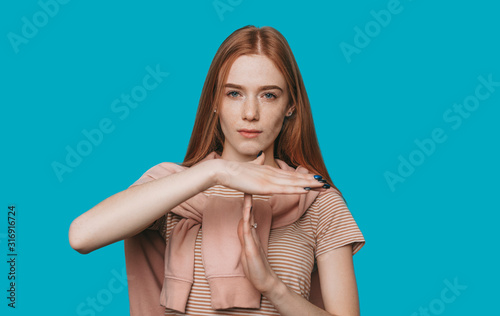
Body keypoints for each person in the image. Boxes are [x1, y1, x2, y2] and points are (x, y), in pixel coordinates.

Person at [69, 25, 365, 316]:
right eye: (234, 93)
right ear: (214, 101)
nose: (250, 113)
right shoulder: (175, 188)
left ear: (291, 105)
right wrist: (215, 173)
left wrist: (272, 286)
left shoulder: (317, 200)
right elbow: (82, 236)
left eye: (269, 95)